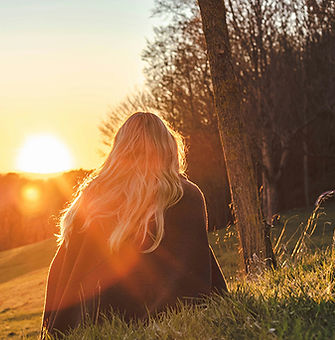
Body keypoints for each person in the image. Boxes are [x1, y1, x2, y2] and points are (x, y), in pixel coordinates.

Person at [41, 112, 227, 337]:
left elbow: (60, 269)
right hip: (149, 317)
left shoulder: (92, 197)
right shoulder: (183, 194)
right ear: (167, 147)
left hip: (86, 320)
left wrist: (56, 322)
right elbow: (193, 271)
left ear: (119, 150)